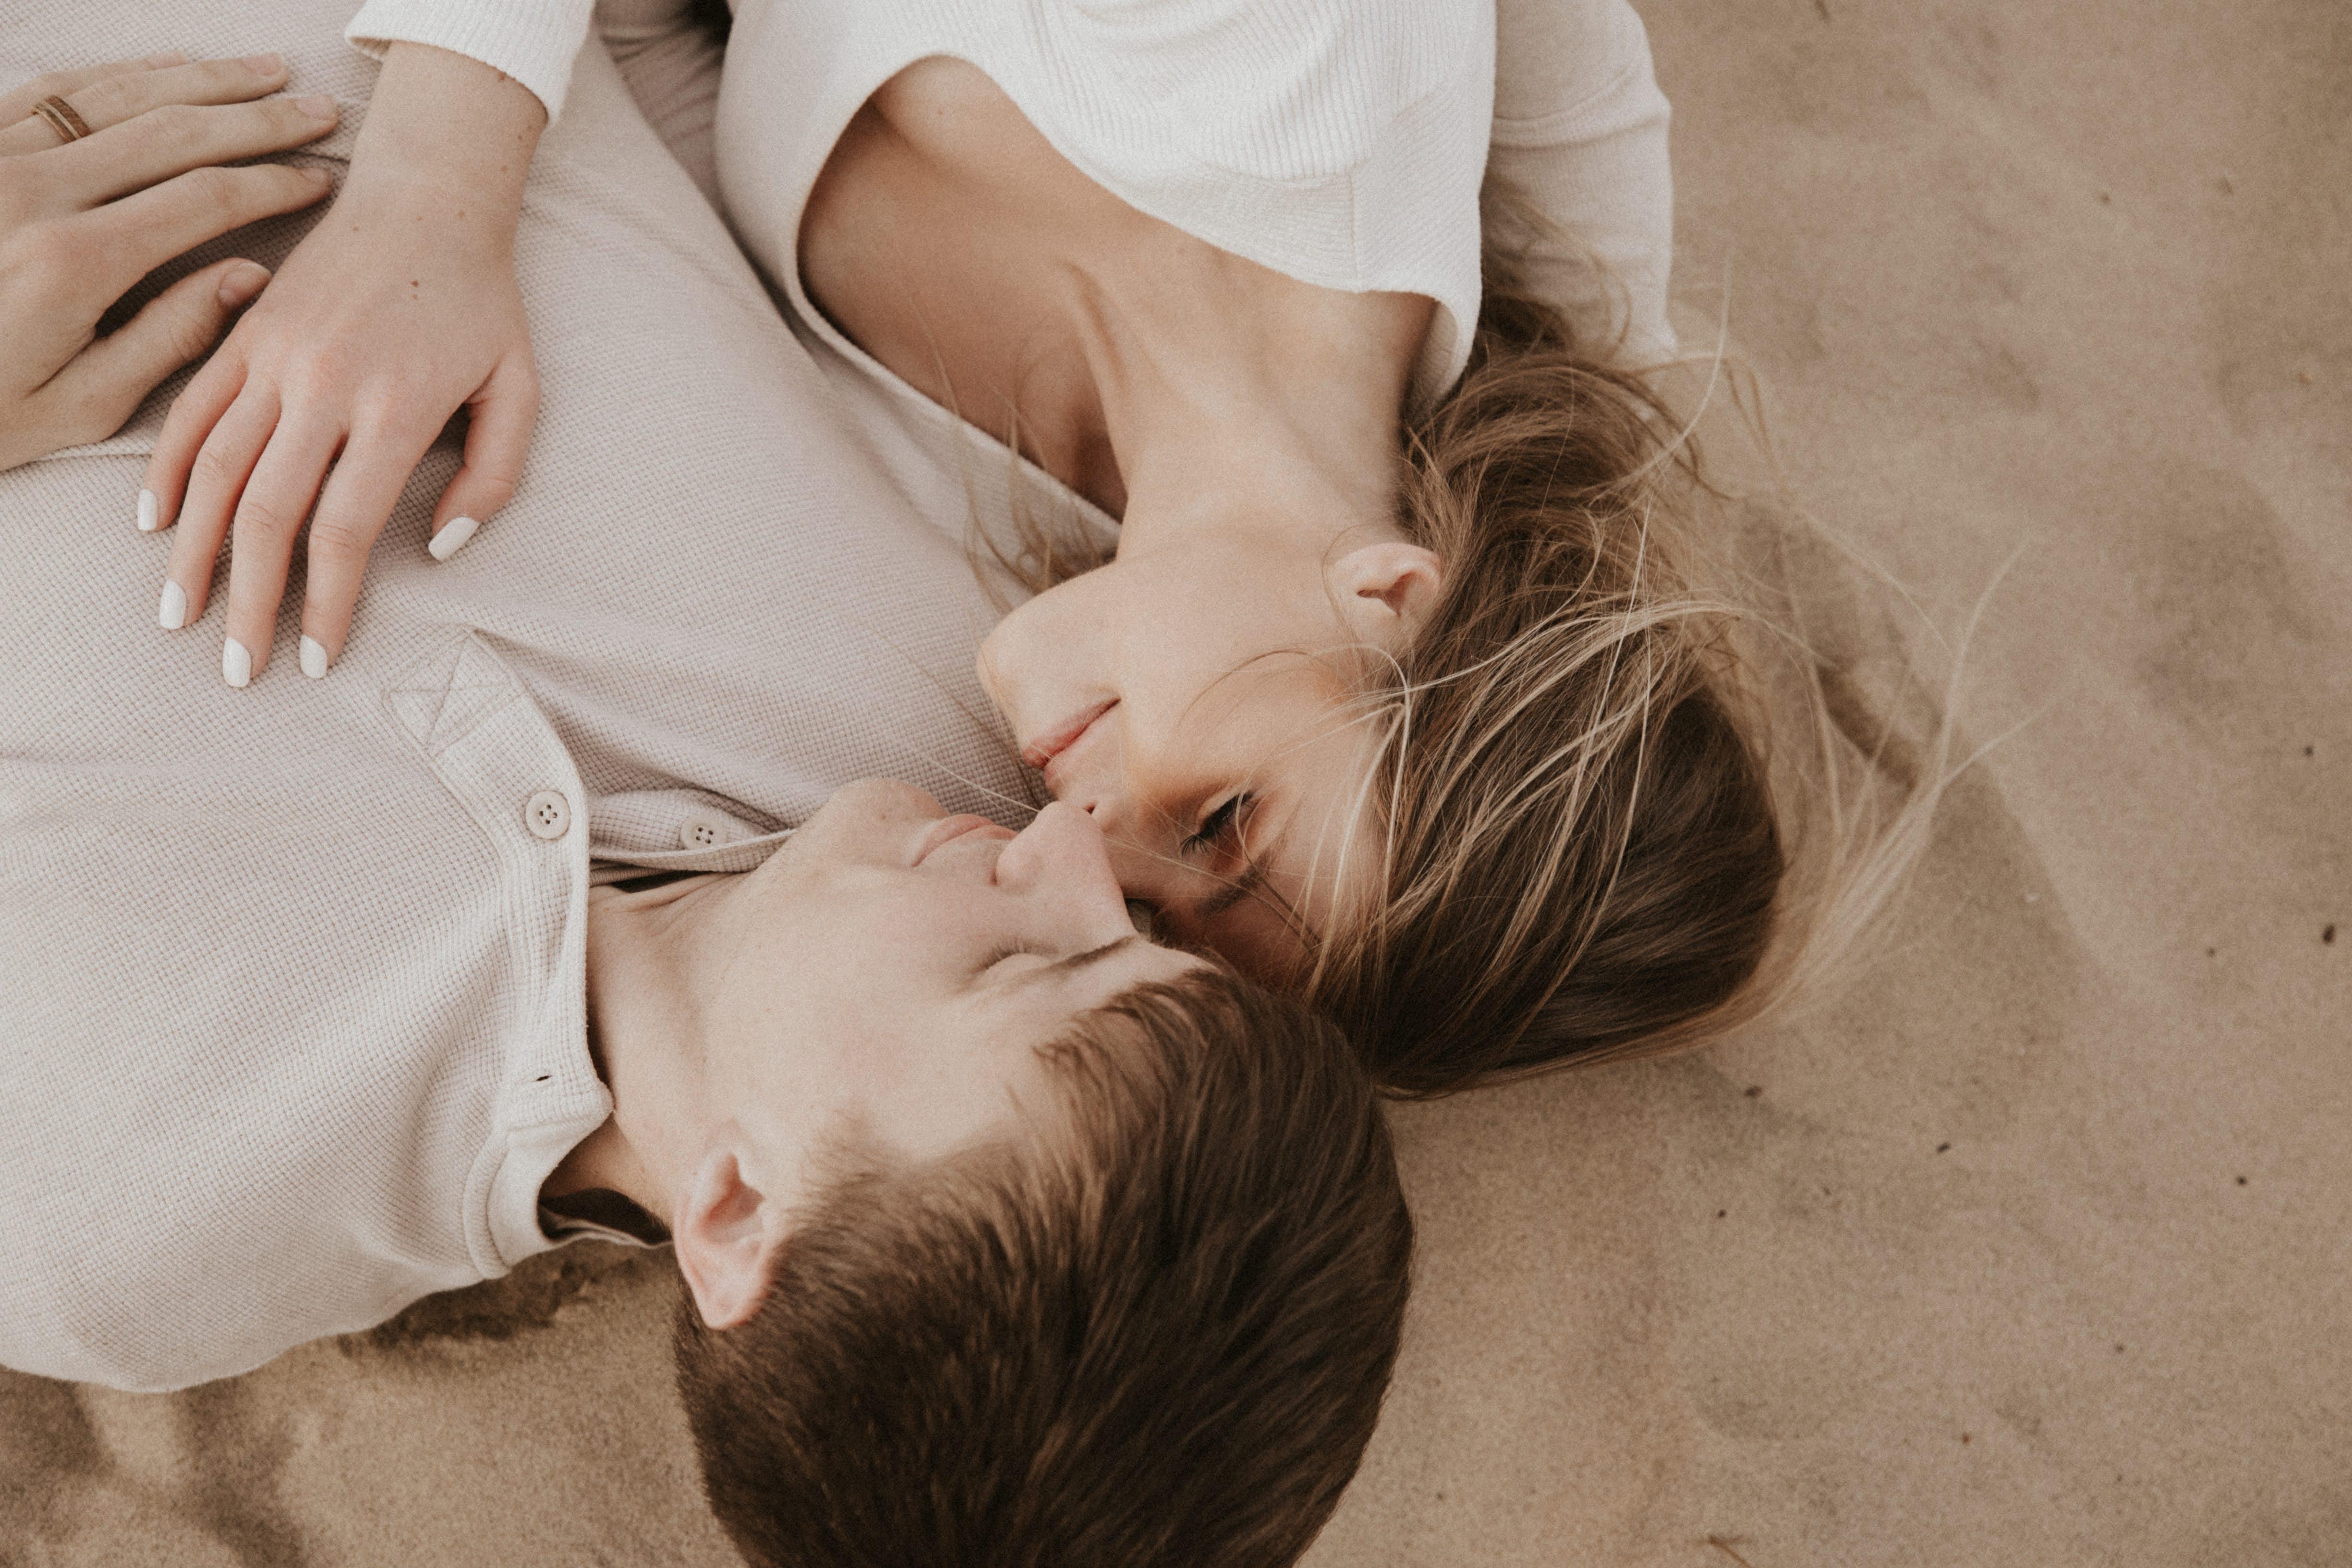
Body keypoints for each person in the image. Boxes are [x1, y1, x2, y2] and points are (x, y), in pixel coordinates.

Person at [0, 31, 1409, 1566]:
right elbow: (689, 65)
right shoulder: (980, 695)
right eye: (1137, 933)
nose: (1073, 841)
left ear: (737, 1211)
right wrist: (437, 185)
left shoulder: (113, 1211)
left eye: (1019, 964)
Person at [129, 0, 1815, 1095]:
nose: (1077, 835)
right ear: (1387, 592)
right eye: (1220, 821)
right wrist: (434, 187)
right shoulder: (1269, 65)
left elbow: (672, 58)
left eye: (1145, 917)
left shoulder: (999, 521)